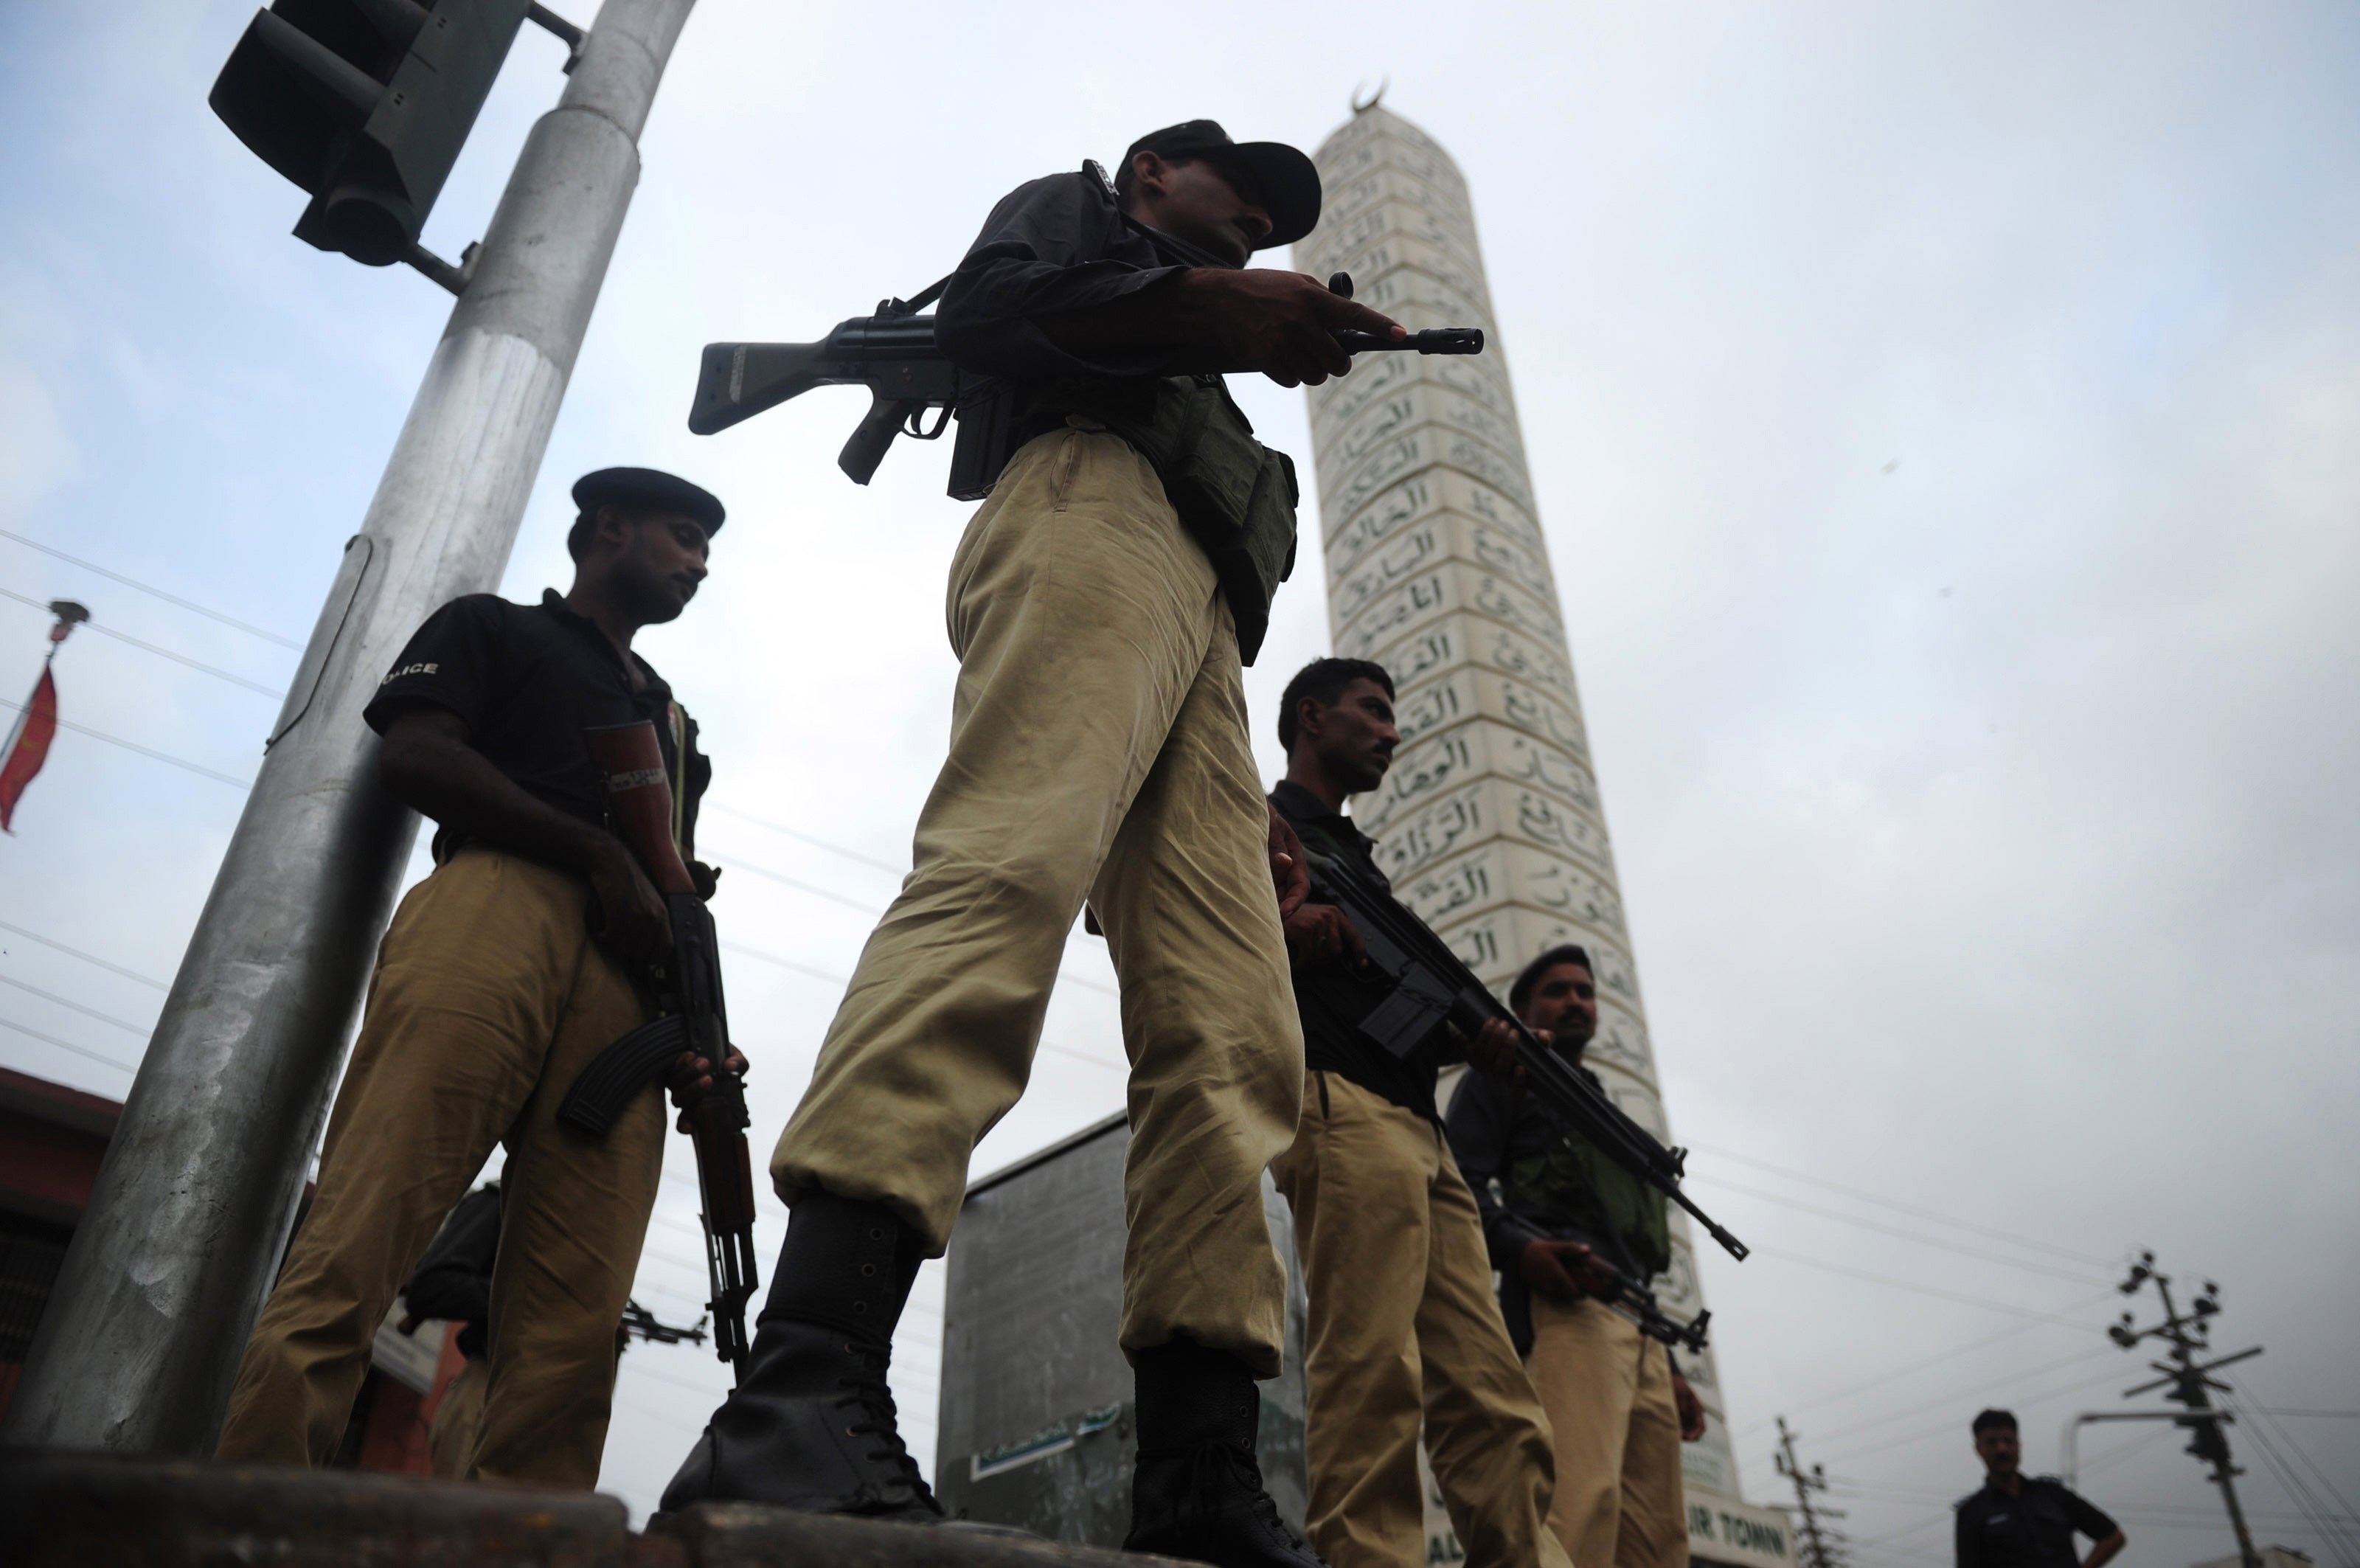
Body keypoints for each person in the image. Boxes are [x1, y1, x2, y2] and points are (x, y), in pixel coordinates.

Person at [659, 122, 1403, 1568]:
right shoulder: (1073, 217)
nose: (1253, 217)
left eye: (1269, 216)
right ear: (1147, 173)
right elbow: (998, 312)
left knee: (1235, 1029)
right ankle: (804, 1387)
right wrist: (1224, 310)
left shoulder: (1198, 351)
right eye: (1232, 189)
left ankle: (1196, 1471)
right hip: (1088, 515)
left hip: (1200, 639)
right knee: (1005, 876)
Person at [215, 467, 734, 1488]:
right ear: (606, 529)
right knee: (357, 1245)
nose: (699, 562)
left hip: (626, 995)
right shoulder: (492, 629)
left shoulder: (677, 727)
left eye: (707, 548)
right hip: (495, 909)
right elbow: (415, 757)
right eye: (681, 536)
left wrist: (697, 1031)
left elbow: (670, 889)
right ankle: (245, 1518)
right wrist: (591, 854)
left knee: (572, 1339)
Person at [1263, 658, 1573, 1568]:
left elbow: (1393, 998)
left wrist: (1473, 1039)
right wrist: (1293, 930)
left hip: (1415, 1126)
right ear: (1310, 718)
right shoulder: (1265, 826)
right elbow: (1212, 932)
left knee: (1493, 1398)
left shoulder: (1354, 858)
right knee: (1370, 1370)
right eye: (1373, 711)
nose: (1392, 732)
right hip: (1339, 1104)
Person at [1446, 946, 1709, 1568]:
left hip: (1638, 1325)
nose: (1575, 1003)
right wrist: (1524, 1249)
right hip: (1568, 1313)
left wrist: (1668, 1364)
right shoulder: (1503, 1073)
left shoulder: (1599, 1107)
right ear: (1522, 1009)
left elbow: (1626, 1245)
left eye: (1584, 993)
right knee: (1574, 1511)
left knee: (1658, 1541)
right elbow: (1454, 1183)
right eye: (1558, 991)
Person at [1955, 1409, 2126, 1568]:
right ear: (1979, 1449)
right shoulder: (1971, 1513)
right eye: (1992, 1442)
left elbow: (2113, 1537)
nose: (2002, 1449)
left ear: (2018, 1446)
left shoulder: (2052, 1495)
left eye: (2008, 1441)